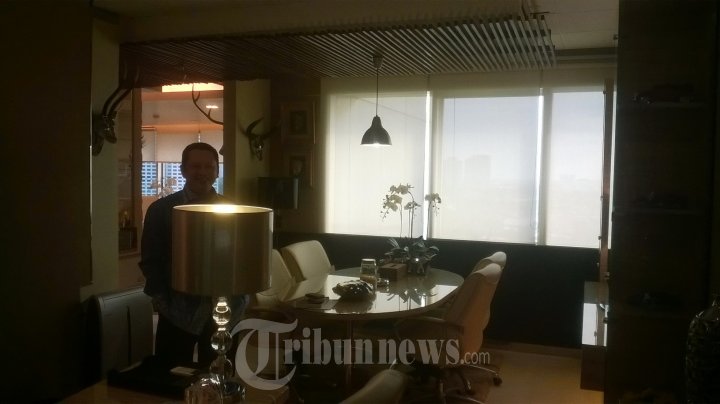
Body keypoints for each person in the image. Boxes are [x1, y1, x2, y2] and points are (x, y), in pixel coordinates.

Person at [139, 142, 247, 367]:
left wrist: (242, 298)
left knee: (220, 374)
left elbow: (242, 257)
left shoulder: (234, 209)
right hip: (176, 311)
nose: (202, 172)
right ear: (183, 170)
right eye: (196, 166)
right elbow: (151, 260)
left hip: (223, 312)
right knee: (170, 374)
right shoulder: (161, 210)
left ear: (217, 171)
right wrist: (162, 301)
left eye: (209, 167)